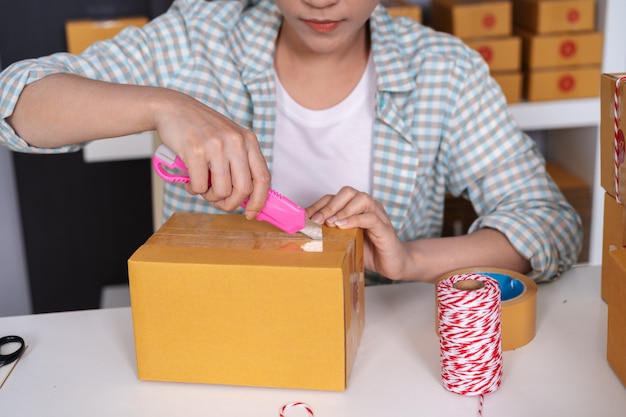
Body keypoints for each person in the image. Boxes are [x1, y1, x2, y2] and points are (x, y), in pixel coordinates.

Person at [0, 0, 582, 284]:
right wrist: (166, 105)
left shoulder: (444, 71)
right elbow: (14, 102)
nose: (322, 1)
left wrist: (408, 259)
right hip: (216, 340)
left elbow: (550, 223)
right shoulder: (199, 35)